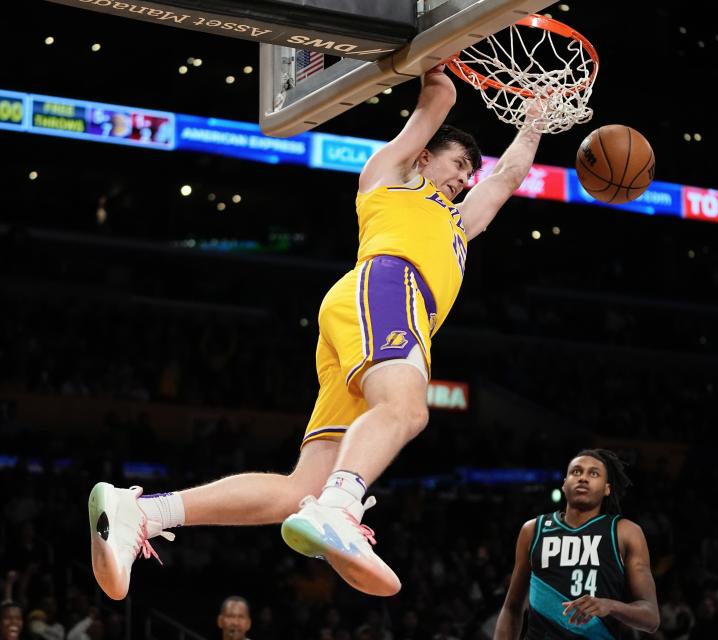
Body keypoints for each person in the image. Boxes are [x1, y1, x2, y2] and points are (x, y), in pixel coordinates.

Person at [87, 62, 545, 599]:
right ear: (424, 156)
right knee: (407, 409)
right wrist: (440, 46)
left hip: (379, 313)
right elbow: (438, 96)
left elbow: (508, 178)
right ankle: (339, 508)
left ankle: (139, 511)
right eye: (459, 163)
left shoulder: (459, 224)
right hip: (387, 287)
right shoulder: (391, 177)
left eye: (471, 171)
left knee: (296, 492)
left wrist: (534, 120)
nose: (466, 177)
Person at [494, 449, 660, 640]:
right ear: (564, 485)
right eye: (576, 472)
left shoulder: (625, 532)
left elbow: (651, 617)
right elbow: (512, 608)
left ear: (607, 488)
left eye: (594, 473)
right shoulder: (533, 530)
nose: (583, 478)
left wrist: (610, 605)